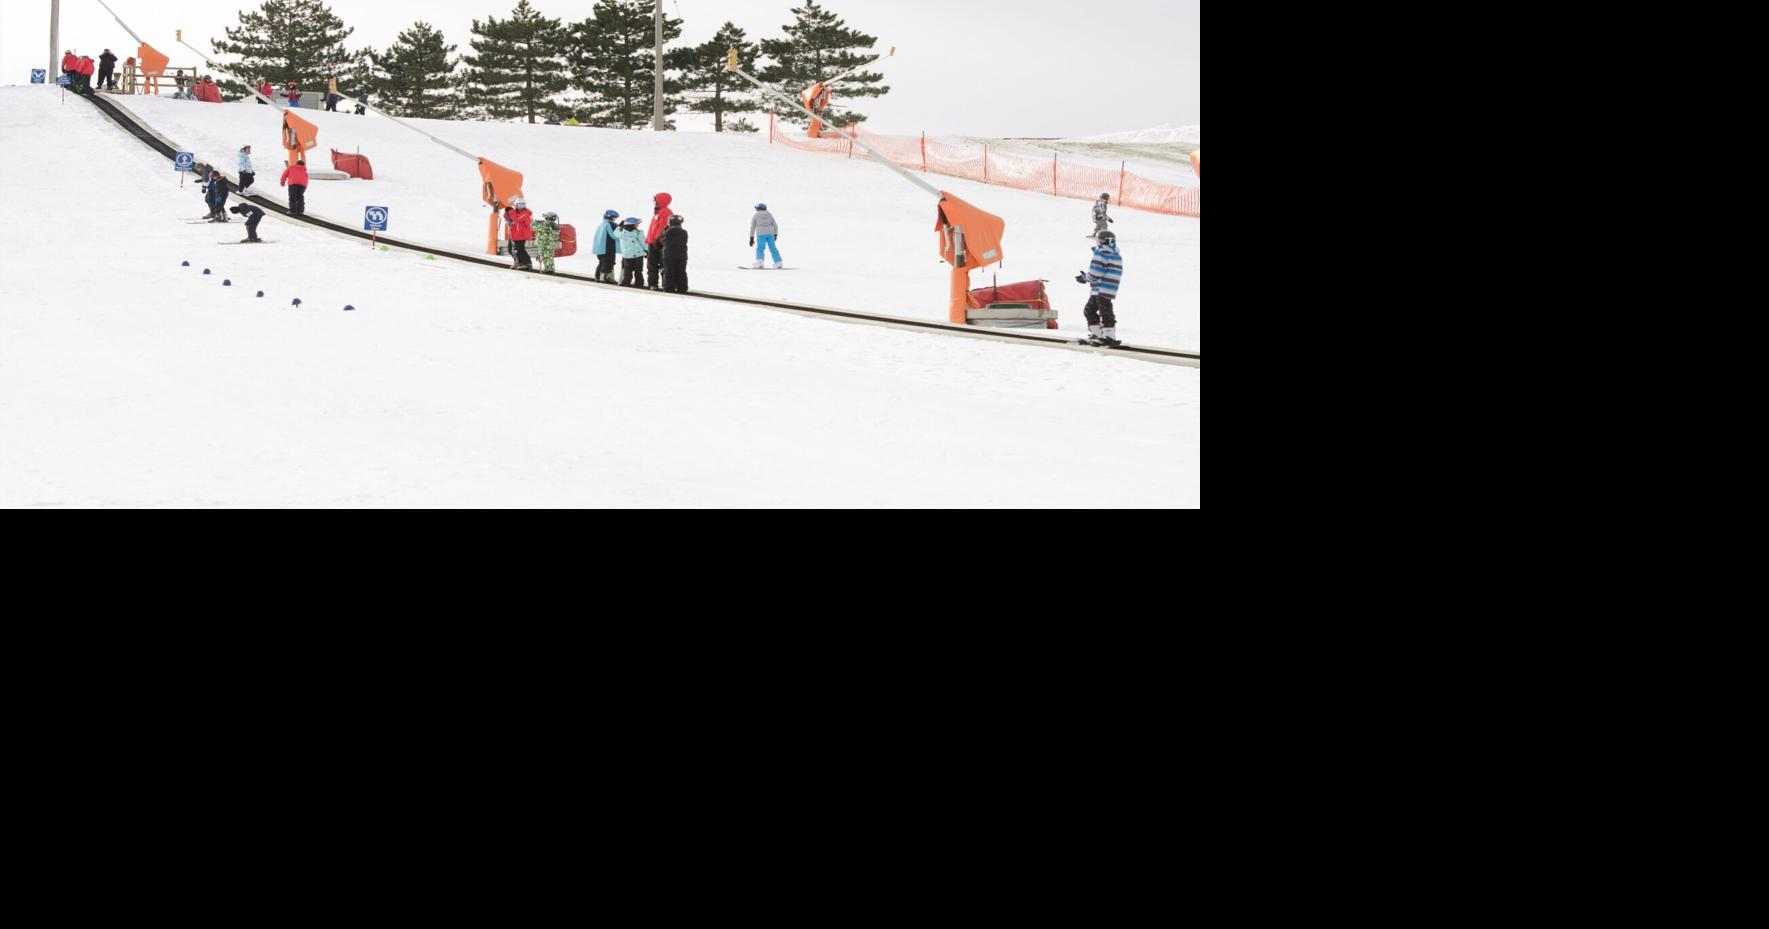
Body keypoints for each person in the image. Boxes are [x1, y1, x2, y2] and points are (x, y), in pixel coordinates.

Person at [1075, 229, 1123, 346]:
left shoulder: (1100, 254)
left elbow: (1096, 273)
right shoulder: (1116, 255)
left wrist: (1085, 278)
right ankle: (1098, 334)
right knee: (1092, 310)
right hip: (1109, 287)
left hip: (1100, 289)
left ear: (1101, 241)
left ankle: (1109, 336)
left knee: (1102, 311)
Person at [645, 192, 674, 290]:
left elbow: (662, 228)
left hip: (658, 243)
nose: (654, 202)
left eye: (655, 199)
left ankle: (665, 285)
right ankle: (652, 284)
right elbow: (653, 228)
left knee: (662, 265)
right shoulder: (658, 212)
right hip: (653, 242)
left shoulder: (666, 212)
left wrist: (657, 241)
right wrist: (649, 240)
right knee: (652, 265)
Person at [659, 215, 689, 294]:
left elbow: (661, 241)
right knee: (681, 271)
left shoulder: (667, 232)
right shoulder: (684, 232)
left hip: (669, 255)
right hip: (682, 255)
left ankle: (669, 288)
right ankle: (682, 288)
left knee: (669, 271)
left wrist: (664, 230)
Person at [504, 197, 534, 270]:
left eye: (523, 205)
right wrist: (507, 211)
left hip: (521, 235)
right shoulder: (515, 212)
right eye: (520, 205)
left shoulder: (526, 213)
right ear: (516, 205)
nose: (521, 207)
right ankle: (519, 262)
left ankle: (527, 263)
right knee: (511, 250)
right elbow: (507, 218)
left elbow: (517, 219)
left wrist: (511, 211)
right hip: (514, 234)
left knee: (520, 249)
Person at [615, 218, 647, 287]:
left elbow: (615, 232)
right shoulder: (639, 233)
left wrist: (619, 226)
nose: (638, 225)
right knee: (638, 270)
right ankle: (639, 284)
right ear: (632, 225)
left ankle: (626, 283)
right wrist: (647, 251)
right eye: (637, 224)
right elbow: (643, 243)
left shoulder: (621, 233)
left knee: (627, 271)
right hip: (638, 255)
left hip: (627, 256)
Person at [749, 203, 782, 269]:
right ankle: (778, 262)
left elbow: (752, 227)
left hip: (761, 235)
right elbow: (775, 225)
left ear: (758, 209)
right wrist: (775, 234)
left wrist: (751, 237)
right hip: (770, 234)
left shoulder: (755, 216)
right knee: (773, 248)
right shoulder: (769, 215)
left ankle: (760, 263)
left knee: (760, 248)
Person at [592, 209, 619, 282]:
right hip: (608, 248)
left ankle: (597, 277)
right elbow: (614, 235)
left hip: (600, 249)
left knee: (601, 263)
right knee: (608, 263)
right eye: (615, 217)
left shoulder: (602, 224)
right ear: (611, 217)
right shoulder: (611, 224)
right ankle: (603, 277)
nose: (615, 219)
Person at [534, 211, 562, 275]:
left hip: (543, 243)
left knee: (545, 256)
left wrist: (537, 222)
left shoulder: (544, 225)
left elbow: (533, 227)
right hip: (550, 244)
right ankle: (549, 269)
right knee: (548, 256)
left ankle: (549, 270)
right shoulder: (555, 225)